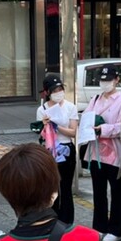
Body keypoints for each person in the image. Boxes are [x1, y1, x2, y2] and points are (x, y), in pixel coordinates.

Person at [83, 65, 121, 241]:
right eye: (102, 80)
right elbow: (87, 116)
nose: (105, 83)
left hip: (114, 151)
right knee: (98, 190)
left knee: (116, 191)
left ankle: (117, 229)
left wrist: (103, 129)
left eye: (109, 80)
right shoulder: (96, 99)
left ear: (117, 80)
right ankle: (99, 226)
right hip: (96, 151)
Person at [36, 75, 79, 224]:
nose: (58, 93)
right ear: (47, 92)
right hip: (49, 150)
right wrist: (44, 125)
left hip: (66, 149)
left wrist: (56, 126)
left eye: (60, 89)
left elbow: (73, 132)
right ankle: (51, 221)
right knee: (51, 188)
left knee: (65, 188)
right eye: (54, 90)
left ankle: (67, 222)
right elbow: (40, 134)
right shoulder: (42, 109)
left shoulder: (70, 107)